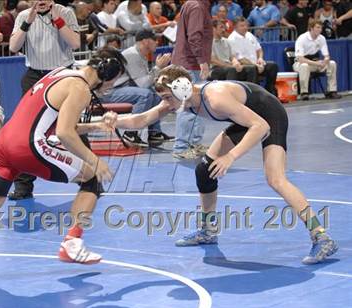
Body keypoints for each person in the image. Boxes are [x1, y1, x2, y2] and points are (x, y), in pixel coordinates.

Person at [0, 47, 127, 282]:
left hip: (6, 143)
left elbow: (50, 122)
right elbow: (64, 133)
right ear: (107, 73)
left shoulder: (61, 73)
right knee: (92, 178)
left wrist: (94, 127)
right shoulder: (80, 88)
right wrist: (94, 161)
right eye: (113, 81)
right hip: (28, 147)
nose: (110, 87)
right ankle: (72, 242)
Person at [113, 64, 338, 265]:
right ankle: (208, 230)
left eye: (166, 97)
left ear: (181, 89)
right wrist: (113, 120)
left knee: (276, 180)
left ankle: (322, 237)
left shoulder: (215, 98)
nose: (165, 104)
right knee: (204, 170)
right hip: (246, 118)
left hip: (268, 116)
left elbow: (261, 126)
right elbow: (142, 119)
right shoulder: (180, 99)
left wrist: (230, 157)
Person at [9, 0, 81, 200]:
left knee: (72, 128)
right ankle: (23, 186)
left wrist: (57, 20)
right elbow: (14, 47)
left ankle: (92, 180)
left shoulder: (65, 12)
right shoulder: (23, 16)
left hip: (62, 74)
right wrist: (27, 23)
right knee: (26, 132)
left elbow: (75, 43)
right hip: (35, 76)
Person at [101, 29, 173, 147]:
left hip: (122, 89)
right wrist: (158, 68)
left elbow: (147, 82)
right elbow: (143, 84)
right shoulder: (132, 54)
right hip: (109, 92)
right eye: (154, 40)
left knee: (156, 93)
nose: (157, 42)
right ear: (145, 41)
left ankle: (154, 133)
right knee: (145, 94)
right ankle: (131, 132)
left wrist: (158, 71)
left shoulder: (141, 55)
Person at [171, 0, 213, 160]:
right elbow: (194, 37)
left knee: (198, 104)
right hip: (190, 64)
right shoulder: (196, 6)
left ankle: (194, 143)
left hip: (190, 63)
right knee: (188, 106)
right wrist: (202, 61)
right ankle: (181, 147)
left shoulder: (194, 4)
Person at [228, 16, 279, 96]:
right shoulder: (232, 39)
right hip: (245, 66)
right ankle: (254, 94)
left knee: (272, 66)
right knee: (252, 69)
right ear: (235, 27)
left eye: (246, 25)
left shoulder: (249, 35)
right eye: (242, 26)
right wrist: (256, 65)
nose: (245, 27)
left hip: (256, 64)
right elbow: (240, 59)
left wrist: (260, 58)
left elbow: (259, 49)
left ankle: (269, 90)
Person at [293, 19, 341, 100]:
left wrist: (325, 61)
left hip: (316, 63)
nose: (320, 30)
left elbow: (326, 55)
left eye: (321, 28)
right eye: (317, 27)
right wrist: (318, 64)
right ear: (311, 28)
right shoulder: (302, 38)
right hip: (300, 63)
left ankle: (332, 91)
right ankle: (304, 93)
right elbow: (300, 59)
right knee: (304, 66)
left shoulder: (322, 38)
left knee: (332, 63)